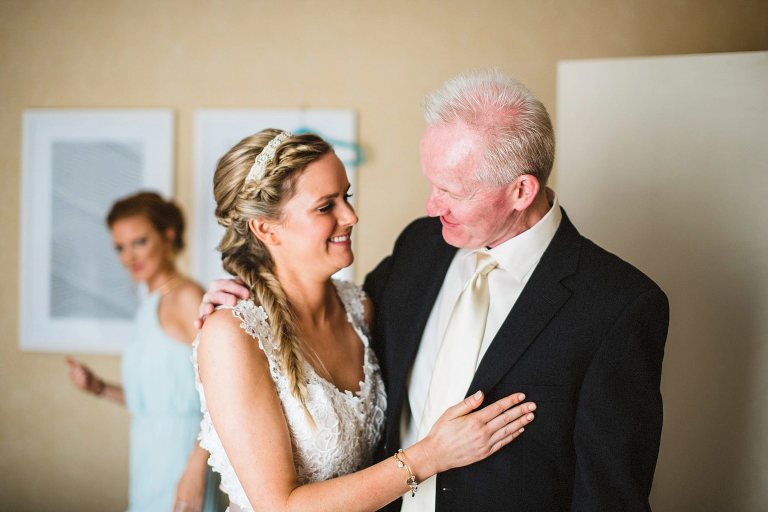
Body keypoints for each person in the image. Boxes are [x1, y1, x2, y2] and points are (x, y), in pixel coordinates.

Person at [201, 70, 670, 511]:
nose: (431, 205)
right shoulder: (422, 246)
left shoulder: (618, 306)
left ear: (521, 191)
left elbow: (610, 497)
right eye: (432, 183)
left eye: (452, 190)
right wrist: (245, 302)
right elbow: (280, 346)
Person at [193, 129, 537, 512]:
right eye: (326, 206)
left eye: (347, 197)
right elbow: (280, 507)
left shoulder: (362, 309)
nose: (351, 216)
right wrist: (430, 456)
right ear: (266, 228)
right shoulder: (233, 334)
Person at [66, 192, 221, 512]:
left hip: (184, 459)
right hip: (149, 461)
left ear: (168, 235)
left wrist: (195, 470)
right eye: (120, 247)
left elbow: (224, 394)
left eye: (139, 242)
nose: (128, 257)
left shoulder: (187, 298)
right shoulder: (147, 306)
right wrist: (98, 387)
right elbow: (154, 401)